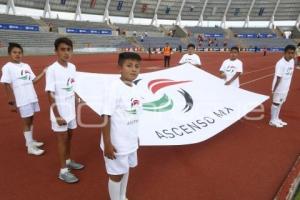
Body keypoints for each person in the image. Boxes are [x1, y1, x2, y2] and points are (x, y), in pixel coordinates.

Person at [101, 52, 142, 200]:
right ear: (120, 67)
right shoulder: (114, 88)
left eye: (137, 66)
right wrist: (107, 143)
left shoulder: (135, 87)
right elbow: (105, 116)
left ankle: (122, 196)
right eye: (129, 65)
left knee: (125, 169)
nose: (133, 69)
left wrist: (135, 137)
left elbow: (134, 114)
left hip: (130, 140)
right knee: (116, 175)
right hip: (117, 143)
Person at [45, 37, 84, 184]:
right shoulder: (52, 69)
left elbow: (74, 86)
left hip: (71, 111)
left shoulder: (72, 67)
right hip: (59, 112)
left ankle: (68, 160)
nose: (66, 53)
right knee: (62, 140)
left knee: (69, 137)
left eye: (69, 49)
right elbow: (49, 93)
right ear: (56, 51)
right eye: (62, 49)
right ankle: (62, 171)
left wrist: (79, 98)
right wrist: (57, 115)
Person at [0, 42, 46, 156]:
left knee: (31, 120)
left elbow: (34, 81)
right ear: (9, 54)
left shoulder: (26, 66)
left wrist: (44, 72)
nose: (17, 54)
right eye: (14, 52)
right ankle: (30, 148)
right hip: (22, 99)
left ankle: (29, 141)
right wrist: (11, 102)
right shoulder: (7, 67)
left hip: (31, 96)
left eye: (19, 52)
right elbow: (6, 84)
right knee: (26, 123)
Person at [269, 45, 296, 128]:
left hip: (286, 87)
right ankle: (272, 120)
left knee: (280, 103)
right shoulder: (280, 63)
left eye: (292, 53)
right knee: (276, 103)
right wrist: (273, 91)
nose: (291, 55)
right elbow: (278, 78)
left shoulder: (292, 61)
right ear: (284, 53)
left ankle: (276, 118)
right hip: (279, 88)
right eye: (289, 53)